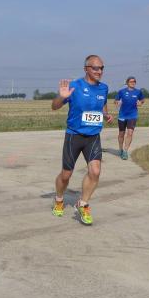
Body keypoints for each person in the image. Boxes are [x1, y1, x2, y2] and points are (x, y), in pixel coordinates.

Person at [51, 55, 113, 225]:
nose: (99, 71)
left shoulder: (104, 88)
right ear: (86, 69)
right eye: (95, 68)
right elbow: (54, 106)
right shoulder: (74, 86)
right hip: (74, 135)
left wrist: (105, 114)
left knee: (95, 171)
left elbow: (101, 105)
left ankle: (83, 204)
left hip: (93, 136)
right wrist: (61, 97)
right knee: (66, 175)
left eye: (101, 68)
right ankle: (59, 199)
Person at [113, 76, 145, 160]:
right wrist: (117, 102)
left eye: (134, 81)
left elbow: (142, 100)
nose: (133, 83)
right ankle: (120, 149)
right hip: (122, 115)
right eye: (131, 81)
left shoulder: (138, 92)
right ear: (127, 83)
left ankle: (125, 151)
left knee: (130, 133)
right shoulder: (121, 91)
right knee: (121, 133)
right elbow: (115, 101)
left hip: (133, 115)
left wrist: (140, 103)